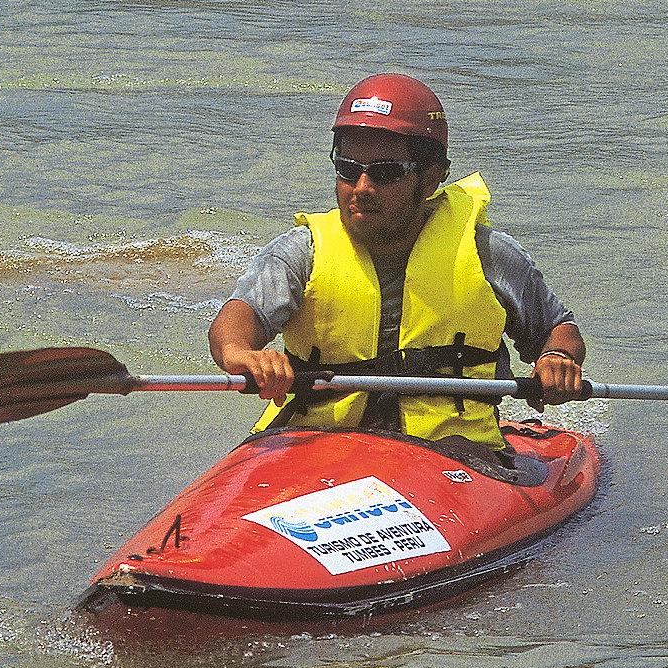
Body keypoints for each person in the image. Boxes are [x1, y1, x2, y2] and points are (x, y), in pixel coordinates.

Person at [208, 74, 585, 459]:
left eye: (386, 172)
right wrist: (241, 353)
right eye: (348, 168)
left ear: (431, 178)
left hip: (454, 453)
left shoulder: (489, 254)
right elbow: (238, 319)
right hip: (313, 444)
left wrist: (558, 359)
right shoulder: (302, 251)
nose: (361, 187)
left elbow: (557, 328)